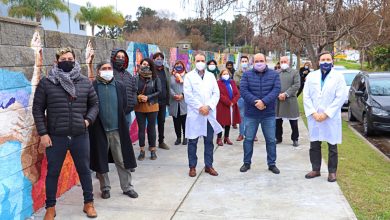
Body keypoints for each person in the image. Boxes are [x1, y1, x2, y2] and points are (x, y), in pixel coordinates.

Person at [32, 47, 98, 219]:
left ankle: (88, 203)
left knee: (84, 170)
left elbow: (95, 105)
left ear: (75, 60)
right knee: (53, 172)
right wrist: (43, 133)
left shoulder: (84, 82)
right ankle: (50, 208)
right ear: (57, 62)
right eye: (63, 59)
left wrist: (87, 120)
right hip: (56, 137)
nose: (67, 61)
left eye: (70, 58)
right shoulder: (47, 82)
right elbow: (37, 110)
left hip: (79, 135)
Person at [88, 61, 138, 200]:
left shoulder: (119, 86)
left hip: (117, 130)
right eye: (104, 68)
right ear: (98, 71)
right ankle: (105, 188)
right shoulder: (92, 87)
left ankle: (127, 187)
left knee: (122, 160)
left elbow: (125, 104)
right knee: (101, 161)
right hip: (100, 131)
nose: (108, 70)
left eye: (109, 68)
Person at [303, 52, 346, 182]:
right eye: (323, 59)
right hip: (315, 116)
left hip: (330, 117)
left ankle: (332, 172)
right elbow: (306, 96)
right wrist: (313, 113)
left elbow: (340, 98)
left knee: (332, 145)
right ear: (319, 61)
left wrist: (326, 114)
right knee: (314, 144)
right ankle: (316, 169)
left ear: (332, 61)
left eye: (328, 59)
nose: (325, 61)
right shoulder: (311, 76)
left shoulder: (338, 77)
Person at [239, 53, 281, 174]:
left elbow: (276, 89)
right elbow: (243, 90)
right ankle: (246, 163)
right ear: (253, 62)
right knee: (248, 139)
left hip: (268, 113)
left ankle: (272, 164)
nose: (259, 63)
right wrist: (255, 102)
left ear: (265, 61)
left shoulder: (274, 74)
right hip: (251, 113)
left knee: (271, 140)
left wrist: (264, 102)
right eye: (256, 61)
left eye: (261, 60)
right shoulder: (246, 75)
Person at [184, 53, 223, 177]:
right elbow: (188, 95)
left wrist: (209, 106)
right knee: (192, 142)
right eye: (198, 60)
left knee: (209, 142)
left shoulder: (211, 76)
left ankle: (209, 166)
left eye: (202, 60)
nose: (200, 62)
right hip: (195, 114)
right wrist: (199, 107)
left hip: (209, 114)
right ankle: (192, 167)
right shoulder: (189, 76)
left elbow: (216, 94)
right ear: (194, 62)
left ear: (205, 62)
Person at [134, 58, 161, 161]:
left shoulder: (155, 78)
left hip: (152, 105)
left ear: (151, 66)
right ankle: (142, 150)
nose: (145, 66)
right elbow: (133, 90)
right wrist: (138, 96)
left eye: (148, 64)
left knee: (151, 128)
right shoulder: (136, 78)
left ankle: (153, 150)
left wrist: (148, 97)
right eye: (144, 64)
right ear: (140, 65)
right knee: (141, 129)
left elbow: (159, 91)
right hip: (139, 106)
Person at [275, 56, 300, 147]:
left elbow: (296, 85)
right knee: (277, 122)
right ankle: (278, 138)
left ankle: (295, 139)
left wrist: (285, 94)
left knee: (293, 122)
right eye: (281, 61)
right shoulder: (277, 73)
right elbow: (273, 85)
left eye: (285, 61)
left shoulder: (295, 72)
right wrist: (278, 94)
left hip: (290, 100)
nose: (283, 63)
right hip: (278, 100)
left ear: (288, 62)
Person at [110, 49, 138, 131]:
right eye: (118, 57)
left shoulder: (128, 75)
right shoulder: (109, 73)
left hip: (127, 113)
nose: (121, 59)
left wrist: (133, 102)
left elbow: (134, 90)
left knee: (126, 137)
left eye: (123, 57)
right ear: (113, 58)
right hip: (114, 113)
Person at [233, 56, 258, 142]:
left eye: (245, 61)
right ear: (240, 62)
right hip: (241, 97)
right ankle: (241, 134)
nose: (244, 62)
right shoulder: (237, 73)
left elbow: (255, 83)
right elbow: (237, 83)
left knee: (253, 116)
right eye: (242, 61)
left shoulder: (253, 71)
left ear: (248, 62)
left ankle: (253, 134)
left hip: (251, 97)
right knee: (242, 116)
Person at [216, 69, 241, 146]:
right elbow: (219, 94)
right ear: (221, 75)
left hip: (232, 105)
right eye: (224, 74)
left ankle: (226, 137)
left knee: (229, 122)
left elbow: (237, 93)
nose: (225, 75)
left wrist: (233, 102)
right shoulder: (218, 83)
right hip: (223, 105)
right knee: (220, 122)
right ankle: (219, 138)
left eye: (227, 74)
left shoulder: (232, 82)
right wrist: (228, 102)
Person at [153, 52, 171, 150]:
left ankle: (161, 142)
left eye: (161, 58)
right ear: (154, 59)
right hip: (153, 101)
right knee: (152, 123)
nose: (159, 60)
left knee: (161, 121)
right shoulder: (151, 71)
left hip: (163, 101)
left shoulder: (166, 70)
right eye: (157, 58)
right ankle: (152, 144)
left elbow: (168, 84)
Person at [169, 60, 188, 145]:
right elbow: (169, 87)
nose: (178, 66)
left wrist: (182, 95)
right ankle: (178, 138)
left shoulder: (187, 77)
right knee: (176, 121)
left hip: (184, 102)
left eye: (180, 65)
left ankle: (185, 137)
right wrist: (174, 95)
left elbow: (189, 88)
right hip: (174, 101)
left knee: (185, 121)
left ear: (183, 66)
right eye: (176, 64)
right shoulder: (171, 77)